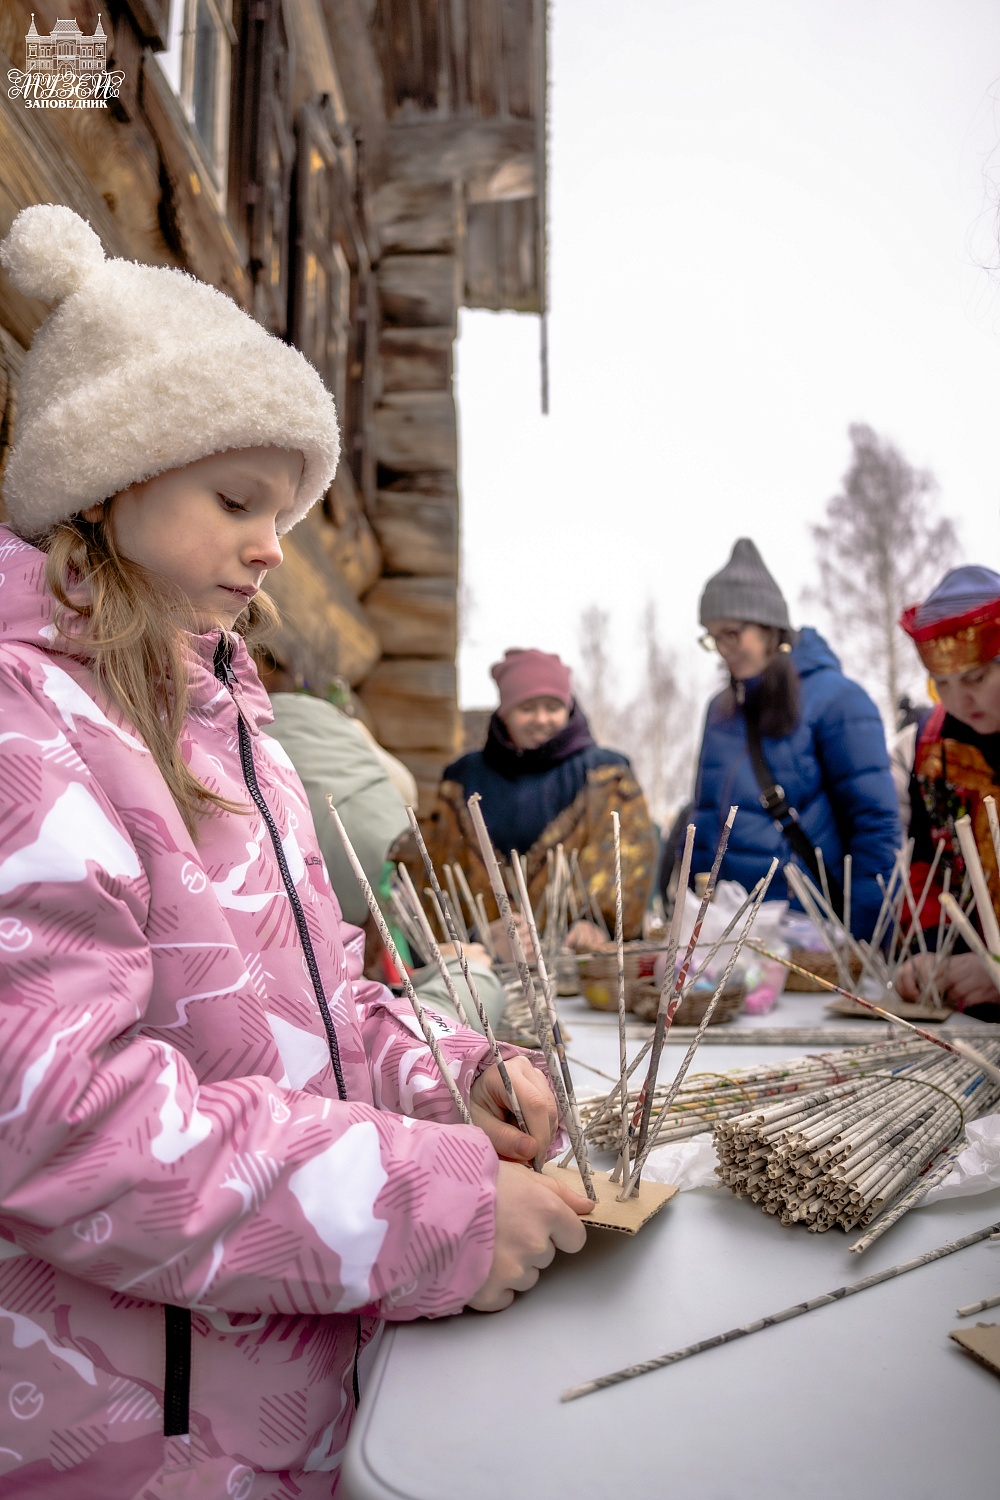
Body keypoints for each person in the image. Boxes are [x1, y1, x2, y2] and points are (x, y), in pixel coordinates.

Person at [0, 204, 590, 1498]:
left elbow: (318, 1010)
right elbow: (59, 1130)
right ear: (108, 477)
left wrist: (451, 1078)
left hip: (284, 1398)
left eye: (288, 510)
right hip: (126, 1437)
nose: (275, 546)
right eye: (237, 500)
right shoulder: (26, 732)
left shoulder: (230, 726)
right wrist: (424, 1208)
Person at [258, 652, 506, 1031]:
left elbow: (374, 985)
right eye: (379, 859)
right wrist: (471, 979)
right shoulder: (295, 949)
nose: (388, 872)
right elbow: (380, 1037)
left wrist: (429, 969)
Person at [691, 538, 900, 940]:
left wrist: (864, 938)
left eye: (732, 633)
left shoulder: (838, 700)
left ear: (769, 626)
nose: (722, 649)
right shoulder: (720, 711)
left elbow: (874, 825)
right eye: (713, 637)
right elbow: (703, 819)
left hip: (815, 932)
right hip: (733, 935)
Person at [415, 648, 658, 947]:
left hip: (579, 955)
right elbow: (441, 866)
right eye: (527, 708)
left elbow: (627, 856)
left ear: (568, 708)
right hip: (484, 959)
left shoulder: (607, 775)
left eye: (553, 707)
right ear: (504, 712)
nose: (541, 719)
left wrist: (596, 923)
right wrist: (481, 937)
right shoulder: (463, 779)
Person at [894, 567, 1000, 1018]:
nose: (959, 702)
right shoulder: (934, 746)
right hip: (971, 1008)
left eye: (975, 679)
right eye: (942, 684)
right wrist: (929, 953)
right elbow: (927, 863)